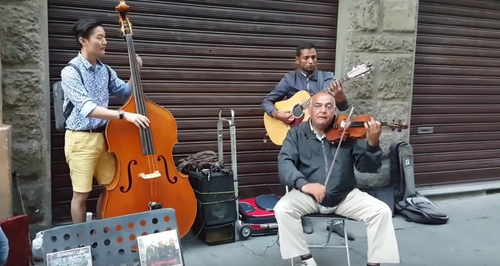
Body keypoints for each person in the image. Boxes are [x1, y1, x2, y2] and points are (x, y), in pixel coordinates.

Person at [274, 92, 400, 266]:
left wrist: (372, 144)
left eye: (328, 106)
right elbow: (285, 163)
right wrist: (304, 185)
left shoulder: (347, 134)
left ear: (334, 110)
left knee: (381, 212)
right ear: (309, 109)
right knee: (283, 209)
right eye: (318, 106)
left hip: (344, 195)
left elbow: (368, 168)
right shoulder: (296, 134)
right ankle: (305, 259)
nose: (323, 111)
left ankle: (375, 263)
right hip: (309, 196)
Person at [61, 19, 150, 224]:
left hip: (106, 138)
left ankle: (107, 228)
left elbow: (125, 91)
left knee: (113, 186)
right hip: (80, 140)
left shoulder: (105, 70)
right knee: (81, 195)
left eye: (105, 37)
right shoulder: (70, 72)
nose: (104, 42)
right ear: (83, 40)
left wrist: (135, 72)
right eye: (99, 38)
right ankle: (82, 240)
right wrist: (124, 115)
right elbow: (87, 109)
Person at [262, 42, 353, 238]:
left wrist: (340, 96)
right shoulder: (289, 80)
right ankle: (303, 217)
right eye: (306, 58)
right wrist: (279, 115)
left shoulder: (327, 78)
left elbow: (343, 107)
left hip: (328, 133)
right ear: (297, 60)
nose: (311, 61)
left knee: (334, 170)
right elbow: (267, 102)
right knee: (296, 169)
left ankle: (336, 219)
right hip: (301, 136)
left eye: (314, 57)